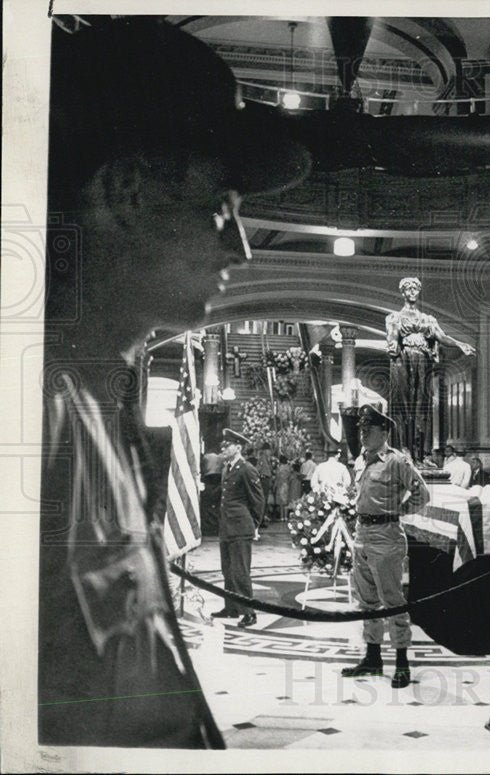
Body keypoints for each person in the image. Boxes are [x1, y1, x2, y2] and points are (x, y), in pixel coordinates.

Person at [38, 16, 309, 746]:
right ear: (126, 192)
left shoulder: (92, 392)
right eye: (221, 207)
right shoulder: (36, 414)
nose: (242, 246)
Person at [342, 405, 430, 689]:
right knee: (366, 600)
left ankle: (402, 663)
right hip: (362, 534)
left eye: (370, 430)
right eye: (362, 429)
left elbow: (422, 493)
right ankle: (373, 657)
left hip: (386, 536)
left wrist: (398, 512)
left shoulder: (396, 461)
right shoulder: (361, 461)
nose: (363, 434)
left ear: (385, 432)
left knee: (392, 601)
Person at [386, 277, 476, 461]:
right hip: (404, 361)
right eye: (408, 289)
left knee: (423, 405)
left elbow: (442, 336)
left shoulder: (427, 319)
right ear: (402, 292)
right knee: (405, 405)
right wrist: (393, 345)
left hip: (423, 361)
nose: (412, 292)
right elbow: (393, 338)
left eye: (415, 289)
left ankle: (421, 453)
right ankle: (405, 449)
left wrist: (460, 344)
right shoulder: (394, 318)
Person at [213, 429, 266, 627]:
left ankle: (249, 612)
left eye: (227, 446)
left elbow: (258, 500)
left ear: (238, 447)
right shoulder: (228, 467)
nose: (224, 449)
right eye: (223, 446)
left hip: (241, 527)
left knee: (240, 572)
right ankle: (231, 608)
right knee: (227, 570)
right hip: (227, 526)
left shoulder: (246, 468)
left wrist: (254, 524)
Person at [256, 442, 275, 524]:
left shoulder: (267, 459)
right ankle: (260, 520)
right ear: (264, 451)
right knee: (263, 499)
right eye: (268, 450)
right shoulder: (261, 459)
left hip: (267, 480)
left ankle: (262, 518)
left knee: (265, 500)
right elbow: (258, 469)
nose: (269, 452)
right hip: (263, 479)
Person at [274, 454, 294, 521]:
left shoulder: (279, 468)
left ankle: (281, 517)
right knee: (286, 502)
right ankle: (286, 517)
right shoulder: (289, 468)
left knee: (281, 503)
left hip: (280, 485)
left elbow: (277, 477)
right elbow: (290, 477)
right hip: (286, 485)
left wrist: (275, 486)